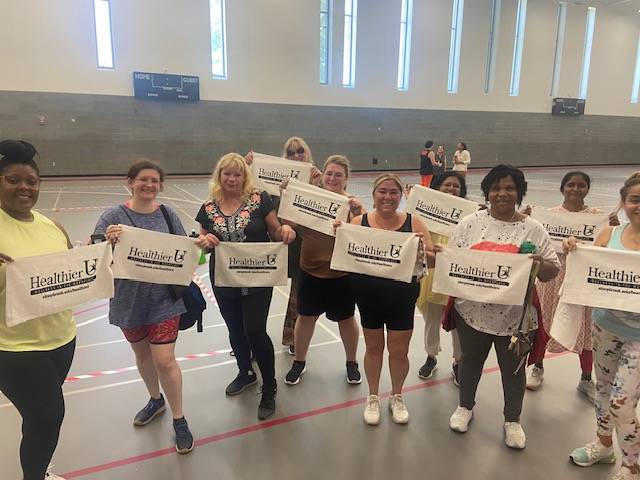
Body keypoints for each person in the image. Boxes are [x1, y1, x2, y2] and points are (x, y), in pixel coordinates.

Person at [94, 160, 212, 454]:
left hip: (164, 300)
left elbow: (185, 249)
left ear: (160, 185)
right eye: (143, 179)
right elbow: (94, 256)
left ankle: (179, 418)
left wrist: (201, 243)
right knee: (141, 354)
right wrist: (108, 242)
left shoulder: (168, 214)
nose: (149, 185)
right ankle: (155, 399)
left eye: (154, 181)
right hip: (127, 300)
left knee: (165, 360)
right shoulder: (112, 216)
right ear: (130, 181)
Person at [446, 164, 560, 449]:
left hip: (517, 320)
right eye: (496, 188)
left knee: (514, 371)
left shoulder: (533, 229)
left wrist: (538, 264)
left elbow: (551, 271)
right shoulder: (469, 224)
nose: (502, 193)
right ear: (487, 192)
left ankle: (512, 420)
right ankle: (465, 407)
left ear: (519, 192)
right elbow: (452, 261)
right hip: (471, 314)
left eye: (509, 187)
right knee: (470, 363)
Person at [195, 153, 296, 420]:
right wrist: (204, 241)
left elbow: (275, 232)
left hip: (258, 276)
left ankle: (270, 387)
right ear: (219, 176)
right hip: (224, 278)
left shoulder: (259, 199)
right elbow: (201, 241)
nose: (232, 178)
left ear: (245, 176)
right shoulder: (208, 207)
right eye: (227, 173)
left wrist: (286, 232)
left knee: (254, 329)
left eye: (237, 174)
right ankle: (245, 372)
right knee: (235, 330)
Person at [0, 140, 76, 480]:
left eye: (31, 181)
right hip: (14, 347)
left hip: (61, 339)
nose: (24, 187)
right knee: (48, 415)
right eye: (13, 179)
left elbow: (71, 272)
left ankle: (37, 469)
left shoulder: (52, 226)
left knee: (37, 417)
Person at [568, 172, 640, 480]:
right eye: (635, 199)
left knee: (622, 404)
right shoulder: (606, 235)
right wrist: (573, 248)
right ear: (623, 203)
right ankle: (603, 444)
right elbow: (587, 268)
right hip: (606, 326)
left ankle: (632, 465)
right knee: (604, 390)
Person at [345, 174, 433, 426]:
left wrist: (423, 251)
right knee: (373, 349)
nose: (387, 197)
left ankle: (397, 395)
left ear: (401, 196)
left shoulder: (414, 223)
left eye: (393, 192)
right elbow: (345, 253)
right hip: (368, 297)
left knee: (398, 350)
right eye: (382, 191)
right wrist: (340, 234)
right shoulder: (358, 222)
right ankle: (373, 396)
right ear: (373, 195)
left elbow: (432, 260)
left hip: (401, 298)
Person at [525, 171, 619, 401]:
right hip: (553, 277)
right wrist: (526, 216)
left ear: (587, 189)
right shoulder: (548, 216)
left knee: (586, 328)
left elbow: (608, 247)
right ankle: (537, 367)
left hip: (583, 281)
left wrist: (613, 228)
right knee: (545, 323)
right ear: (563, 188)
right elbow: (530, 237)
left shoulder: (598, 217)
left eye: (581, 185)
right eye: (570, 185)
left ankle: (586, 378)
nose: (575, 189)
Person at [282, 155, 365, 386]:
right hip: (309, 272)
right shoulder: (310, 199)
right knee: (305, 318)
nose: (332, 178)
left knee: (346, 320)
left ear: (346, 179)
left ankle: (351, 362)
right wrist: (287, 224)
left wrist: (359, 213)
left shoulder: (352, 205)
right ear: (323, 176)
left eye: (338, 175)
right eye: (329, 173)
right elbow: (289, 221)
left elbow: (365, 231)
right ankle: (299, 361)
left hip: (340, 275)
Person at [246, 137, 321, 355]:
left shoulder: (317, 179)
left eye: (300, 151)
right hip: (275, 246)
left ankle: (293, 339)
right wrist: (248, 166)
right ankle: (253, 339)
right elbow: (247, 191)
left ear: (307, 153)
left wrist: (317, 184)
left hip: (304, 249)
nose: (296, 156)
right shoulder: (270, 182)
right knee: (259, 298)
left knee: (299, 298)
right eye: (291, 153)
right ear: (284, 156)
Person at [415, 172, 467, 384]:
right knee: (431, 319)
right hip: (432, 273)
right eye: (447, 185)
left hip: (455, 275)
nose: (452, 189)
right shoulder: (425, 210)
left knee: (457, 323)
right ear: (437, 187)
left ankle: (458, 362)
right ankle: (431, 356)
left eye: (456, 186)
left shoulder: (469, 214)